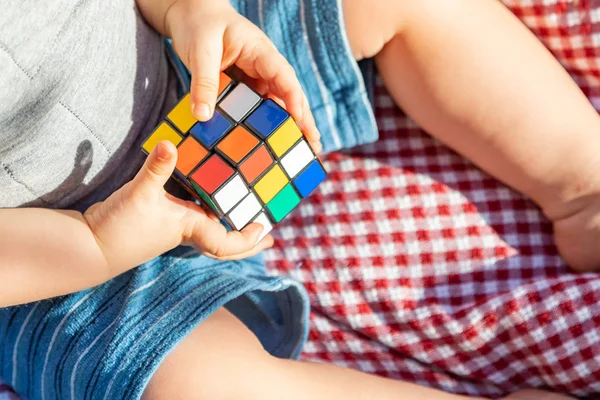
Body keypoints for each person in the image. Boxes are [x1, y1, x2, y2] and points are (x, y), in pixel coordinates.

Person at [0, 0, 588, 398]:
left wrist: (193, 11)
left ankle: (582, 185)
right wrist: (96, 244)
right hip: (62, 259)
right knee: (198, 385)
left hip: (188, 63)